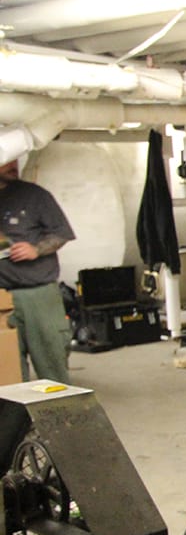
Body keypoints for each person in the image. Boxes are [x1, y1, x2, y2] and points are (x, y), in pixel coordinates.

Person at [0, 158, 75, 383]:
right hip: (2, 297)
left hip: (39, 294)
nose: (13, 164)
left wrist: (37, 249)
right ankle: (15, 418)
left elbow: (62, 233)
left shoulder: (35, 196)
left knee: (52, 365)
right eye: (6, 160)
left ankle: (61, 417)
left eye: (15, 159)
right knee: (8, 371)